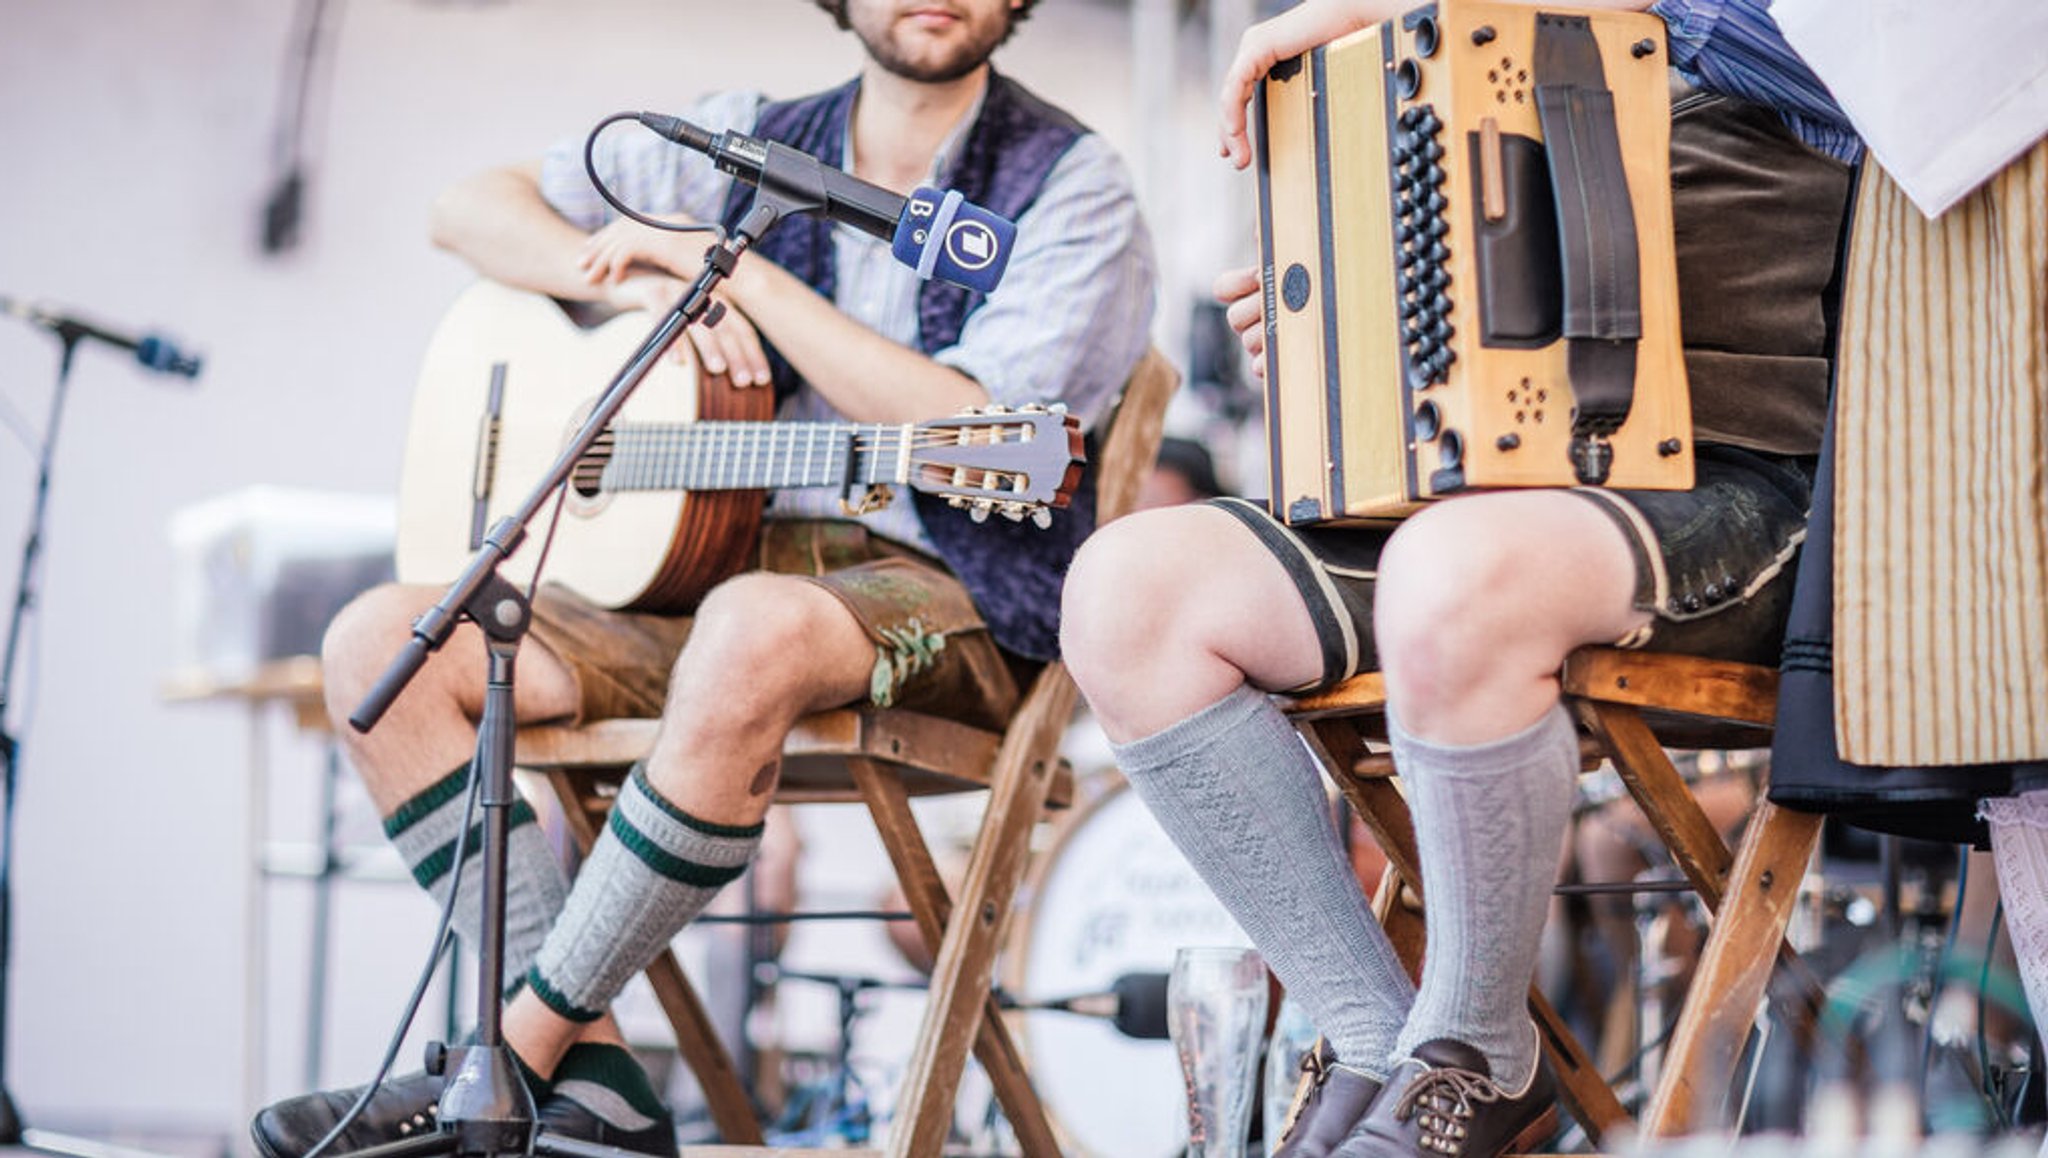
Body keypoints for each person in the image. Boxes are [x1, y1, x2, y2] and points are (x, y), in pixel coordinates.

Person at [250, 3, 1155, 1156]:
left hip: (953, 593)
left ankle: (506, 1058)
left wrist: (730, 278)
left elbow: (963, 422)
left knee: (754, 625)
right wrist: (632, 288)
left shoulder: (1073, 187)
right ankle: (600, 1081)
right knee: (375, 643)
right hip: (703, 577)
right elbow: (465, 207)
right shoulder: (746, 137)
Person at [1059, 1, 1855, 1155]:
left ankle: (1479, 1049)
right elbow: (1496, 300)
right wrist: (1342, 319)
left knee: (1445, 567)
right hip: (1483, 509)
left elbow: (1844, 84)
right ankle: (1379, 1043)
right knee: (1127, 588)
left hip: (1743, 496)